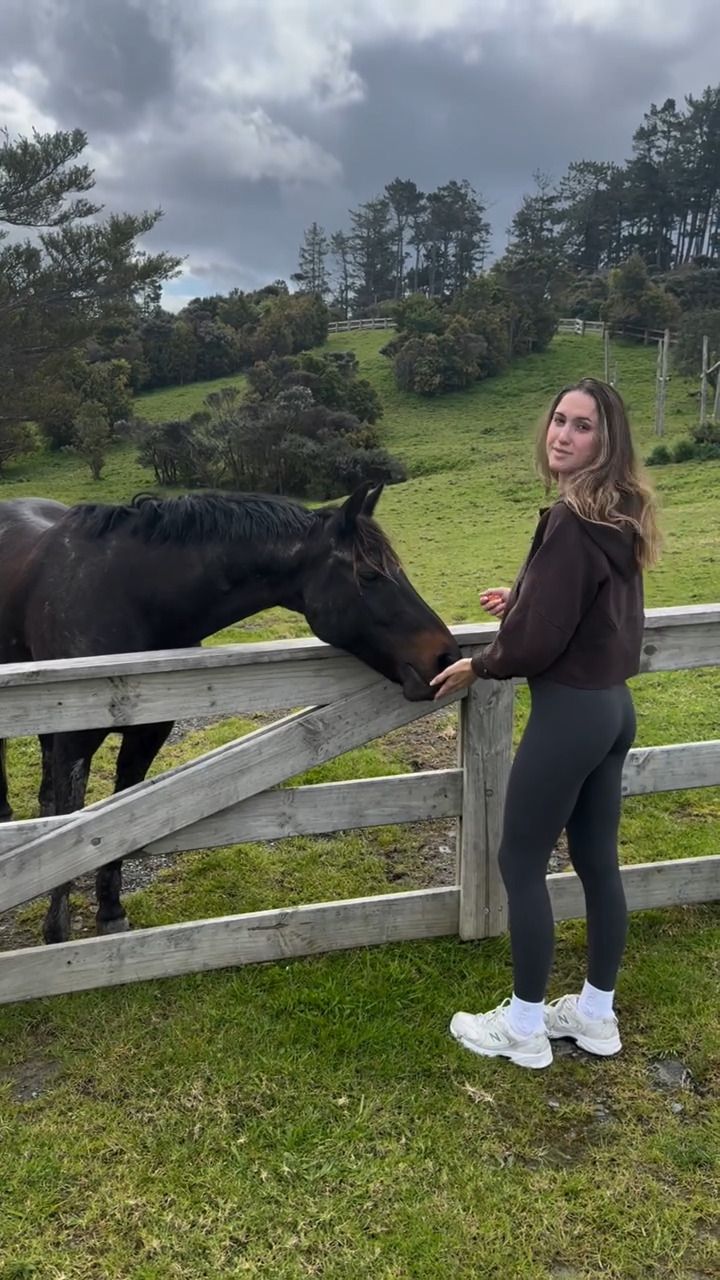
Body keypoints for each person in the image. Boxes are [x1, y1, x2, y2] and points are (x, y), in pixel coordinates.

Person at [430, 378, 661, 1070]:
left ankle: (525, 1026)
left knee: (521, 860)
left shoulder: (571, 519)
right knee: (597, 861)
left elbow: (535, 645)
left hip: (570, 713)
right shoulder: (619, 516)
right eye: (560, 419)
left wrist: (481, 664)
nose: (563, 434)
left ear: (607, 442)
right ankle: (595, 1015)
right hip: (612, 709)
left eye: (583, 426)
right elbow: (588, 607)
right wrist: (525, 596)